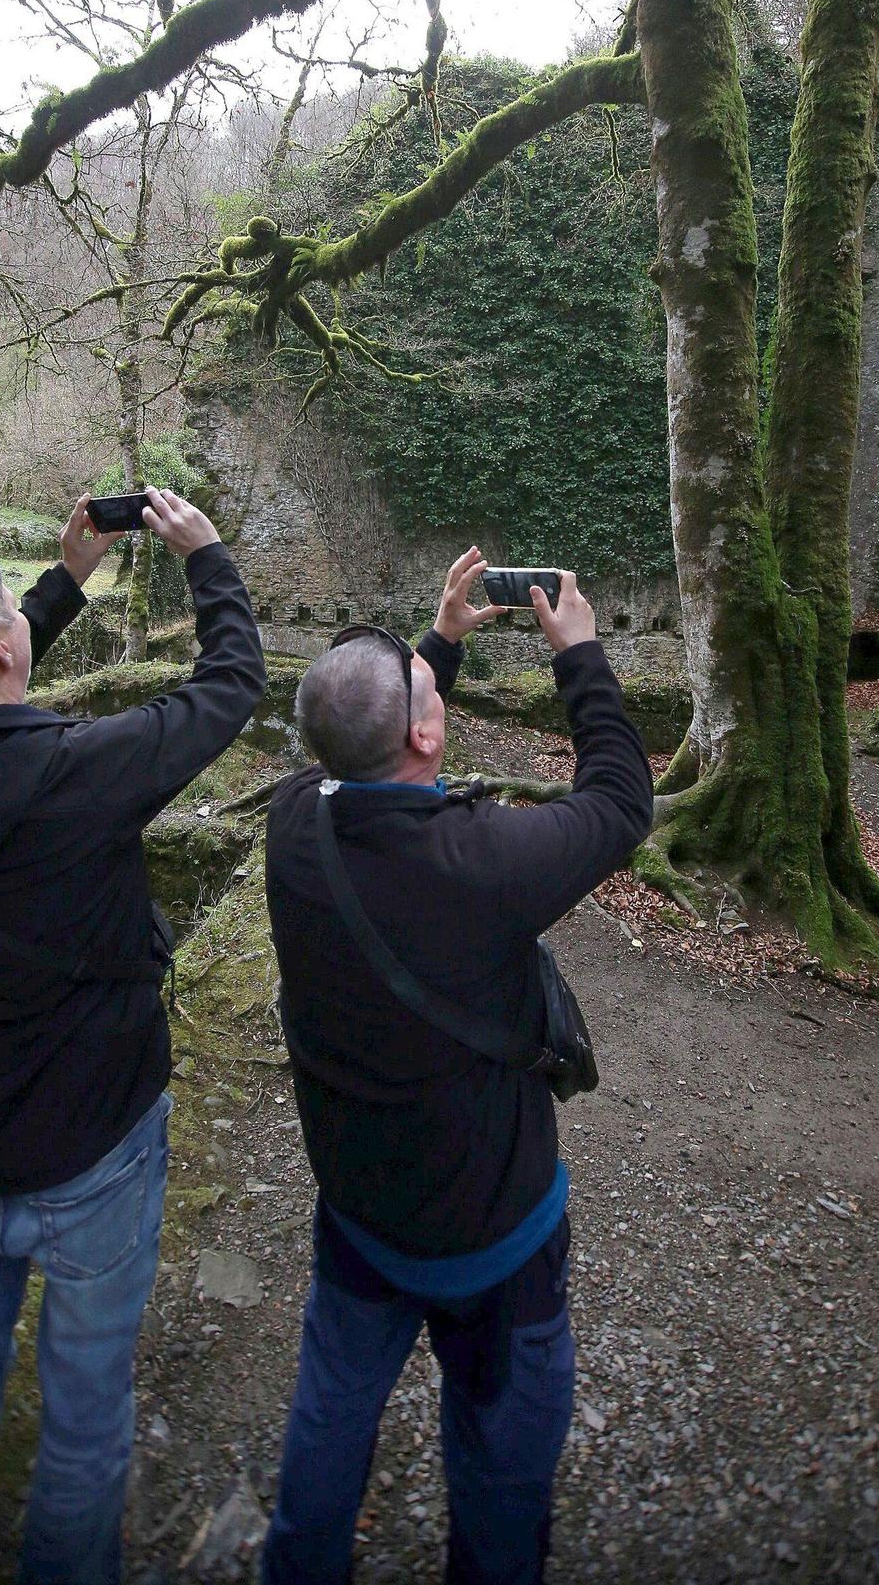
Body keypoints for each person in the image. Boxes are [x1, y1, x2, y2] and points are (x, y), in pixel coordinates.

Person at [0, 487, 266, 1585]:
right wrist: (208, 559)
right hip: (93, 1147)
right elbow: (230, 686)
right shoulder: (78, 776)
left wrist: (61, 585)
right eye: (12, 620)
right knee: (83, 1418)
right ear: (1, 643)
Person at [262, 548, 654, 1585]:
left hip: (356, 1207)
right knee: (501, 1456)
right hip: (493, 1238)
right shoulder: (482, 864)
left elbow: (359, 736)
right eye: (430, 690)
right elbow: (618, 802)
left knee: (329, 1411)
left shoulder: (293, 824)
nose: (431, 681)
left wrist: (436, 644)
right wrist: (581, 657)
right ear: (428, 734)